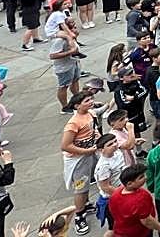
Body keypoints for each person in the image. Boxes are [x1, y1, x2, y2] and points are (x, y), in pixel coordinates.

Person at [61, 91, 99, 235]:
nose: (91, 102)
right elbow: (65, 145)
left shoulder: (91, 114)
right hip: (78, 160)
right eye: (86, 101)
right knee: (81, 187)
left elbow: (93, 131)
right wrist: (85, 152)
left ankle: (86, 204)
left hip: (90, 153)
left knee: (90, 180)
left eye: (91, 99)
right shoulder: (73, 123)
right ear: (77, 105)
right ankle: (79, 216)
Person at [107, 164, 160, 237]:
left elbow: (111, 212)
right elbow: (147, 221)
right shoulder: (139, 200)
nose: (145, 177)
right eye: (141, 177)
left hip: (121, 232)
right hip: (139, 233)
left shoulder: (116, 193)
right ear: (129, 184)